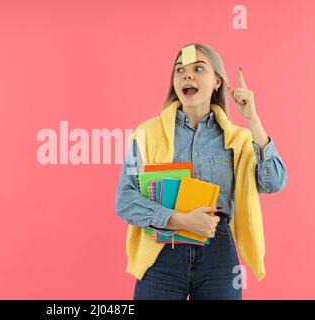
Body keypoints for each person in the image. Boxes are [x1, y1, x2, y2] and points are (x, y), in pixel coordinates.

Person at [114, 43, 287, 300]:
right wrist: (179, 220)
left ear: (217, 81)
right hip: (161, 252)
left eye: (198, 68)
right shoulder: (146, 134)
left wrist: (252, 119)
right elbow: (125, 201)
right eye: (180, 69)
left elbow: (274, 182)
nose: (187, 75)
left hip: (217, 255)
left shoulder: (238, 140)